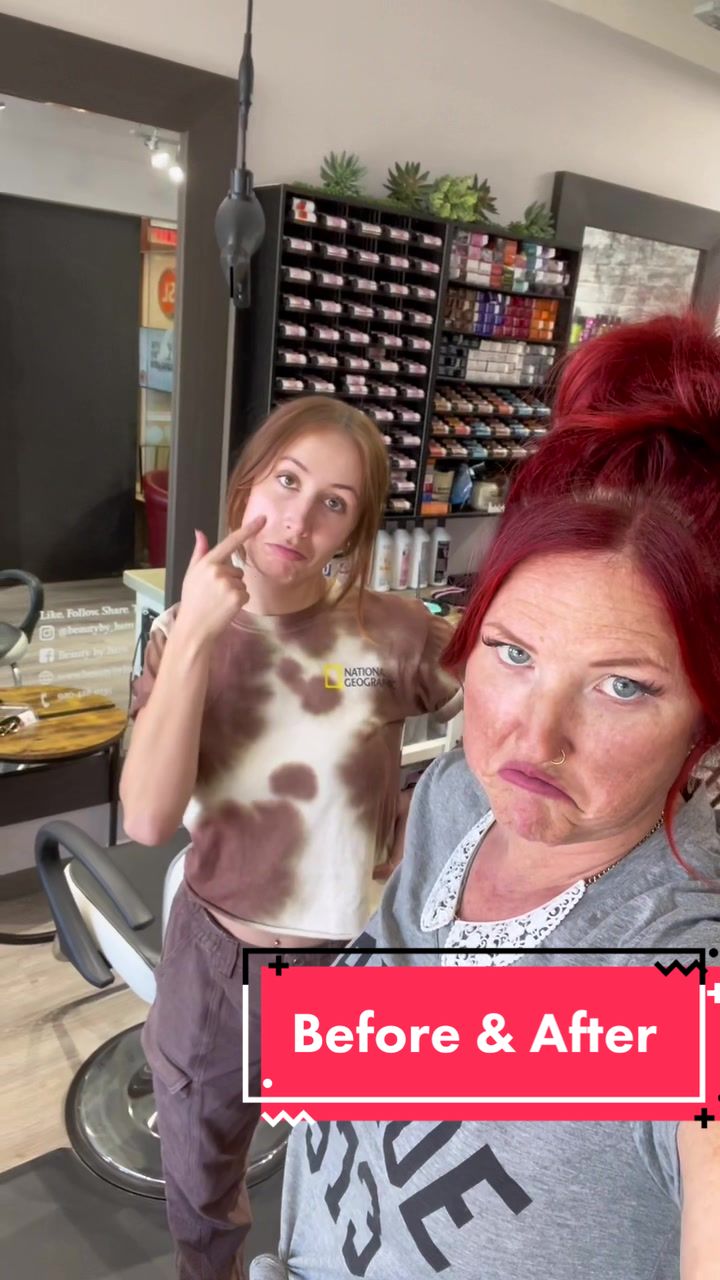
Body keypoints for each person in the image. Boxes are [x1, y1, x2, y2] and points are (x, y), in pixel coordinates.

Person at [250, 314, 720, 1280]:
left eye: (622, 685)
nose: (530, 740)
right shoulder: (461, 795)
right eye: (513, 653)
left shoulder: (678, 976)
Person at [121, 396, 460, 1280]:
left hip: (356, 965)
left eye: (334, 504)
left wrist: (428, 809)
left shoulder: (388, 633)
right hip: (219, 966)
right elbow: (147, 819)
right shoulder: (181, 636)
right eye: (286, 481)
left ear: (354, 529)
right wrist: (196, 634)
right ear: (248, 484)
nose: (299, 521)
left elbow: (503, 705)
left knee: (359, 1168)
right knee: (202, 1182)